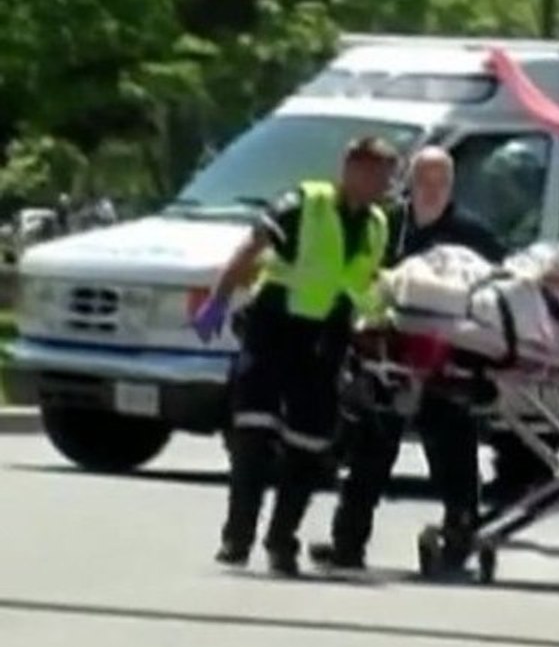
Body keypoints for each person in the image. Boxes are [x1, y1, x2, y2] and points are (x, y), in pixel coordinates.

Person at [191, 136, 397, 576]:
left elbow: (366, 281)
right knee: (253, 433)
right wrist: (219, 299)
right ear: (352, 170)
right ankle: (237, 536)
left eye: (388, 176)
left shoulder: (379, 223)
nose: (385, 185)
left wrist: (377, 322)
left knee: (310, 442)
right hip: (275, 324)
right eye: (378, 174)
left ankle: (281, 539)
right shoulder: (307, 201)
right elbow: (252, 246)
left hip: (326, 337)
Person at [308, 145, 507, 571]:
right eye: (424, 181)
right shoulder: (390, 224)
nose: (432, 190)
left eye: (441, 182)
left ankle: (460, 535)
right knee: (372, 448)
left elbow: (497, 290)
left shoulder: (473, 234)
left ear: (452, 185)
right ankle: (348, 542)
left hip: (447, 360)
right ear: (410, 183)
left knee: (452, 446)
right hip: (389, 355)